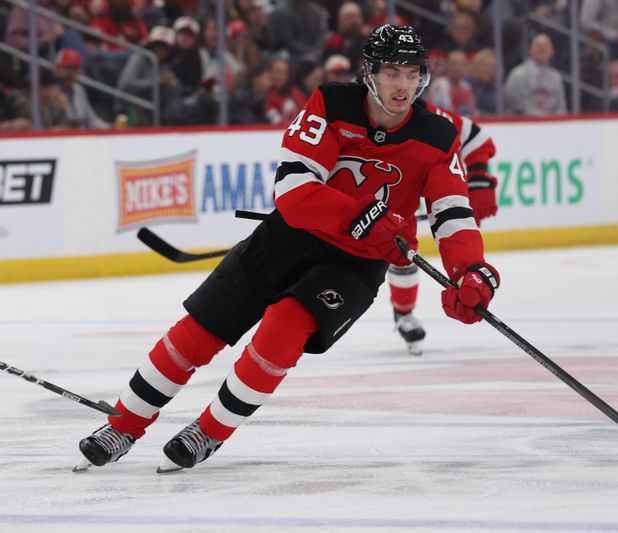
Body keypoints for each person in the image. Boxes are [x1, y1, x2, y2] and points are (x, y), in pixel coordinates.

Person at [74, 24, 500, 473]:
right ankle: (124, 425)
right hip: (288, 236)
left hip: (354, 266)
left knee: (284, 327)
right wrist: (364, 219)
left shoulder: (437, 136)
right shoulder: (331, 104)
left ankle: (210, 430)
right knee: (200, 329)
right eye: (393, 72)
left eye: (413, 74)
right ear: (370, 73)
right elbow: (294, 188)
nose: (403, 85)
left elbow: (452, 216)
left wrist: (470, 270)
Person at [387, 101, 498, 355]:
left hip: (415, 196)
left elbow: (476, 138)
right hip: (370, 194)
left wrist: (479, 178)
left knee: (402, 254)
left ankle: (404, 314)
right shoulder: (355, 113)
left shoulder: (429, 114)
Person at [503, 33, 567, 116]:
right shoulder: (518, 75)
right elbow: (519, 106)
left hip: (552, 125)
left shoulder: (556, 77)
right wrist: (545, 118)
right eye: (538, 46)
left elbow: (561, 107)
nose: (542, 49)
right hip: (525, 125)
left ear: (552, 51)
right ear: (530, 50)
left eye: (545, 46)